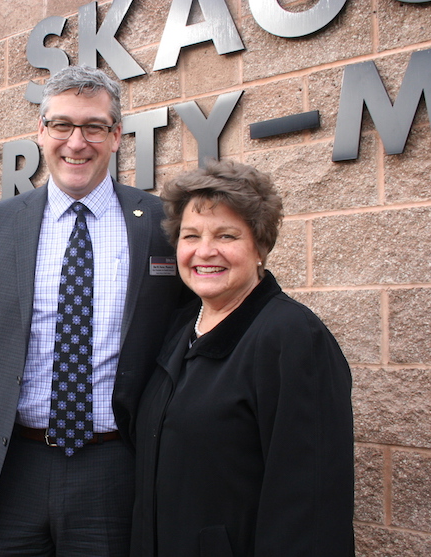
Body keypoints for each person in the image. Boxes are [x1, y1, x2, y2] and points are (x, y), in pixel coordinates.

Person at [0, 65, 188, 557]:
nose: (76, 142)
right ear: (40, 132)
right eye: (61, 125)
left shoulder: (162, 223)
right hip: (9, 469)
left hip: (117, 469)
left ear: (116, 135)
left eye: (93, 127)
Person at [131, 159, 355, 556]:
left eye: (226, 235)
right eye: (190, 236)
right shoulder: (180, 329)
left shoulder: (292, 338)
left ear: (260, 247)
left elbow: (310, 505)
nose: (205, 251)